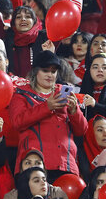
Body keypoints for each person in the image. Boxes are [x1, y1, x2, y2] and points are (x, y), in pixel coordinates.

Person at [10, 51, 87, 180]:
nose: (50, 75)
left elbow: (81, 130)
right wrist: (47, 107)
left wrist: (75, 111)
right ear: (35, 71)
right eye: (45, 70)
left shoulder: (64, 92)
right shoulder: (21, 94)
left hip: (66, 164)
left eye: (53, 71)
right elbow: (17, 122)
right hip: (34, 166)